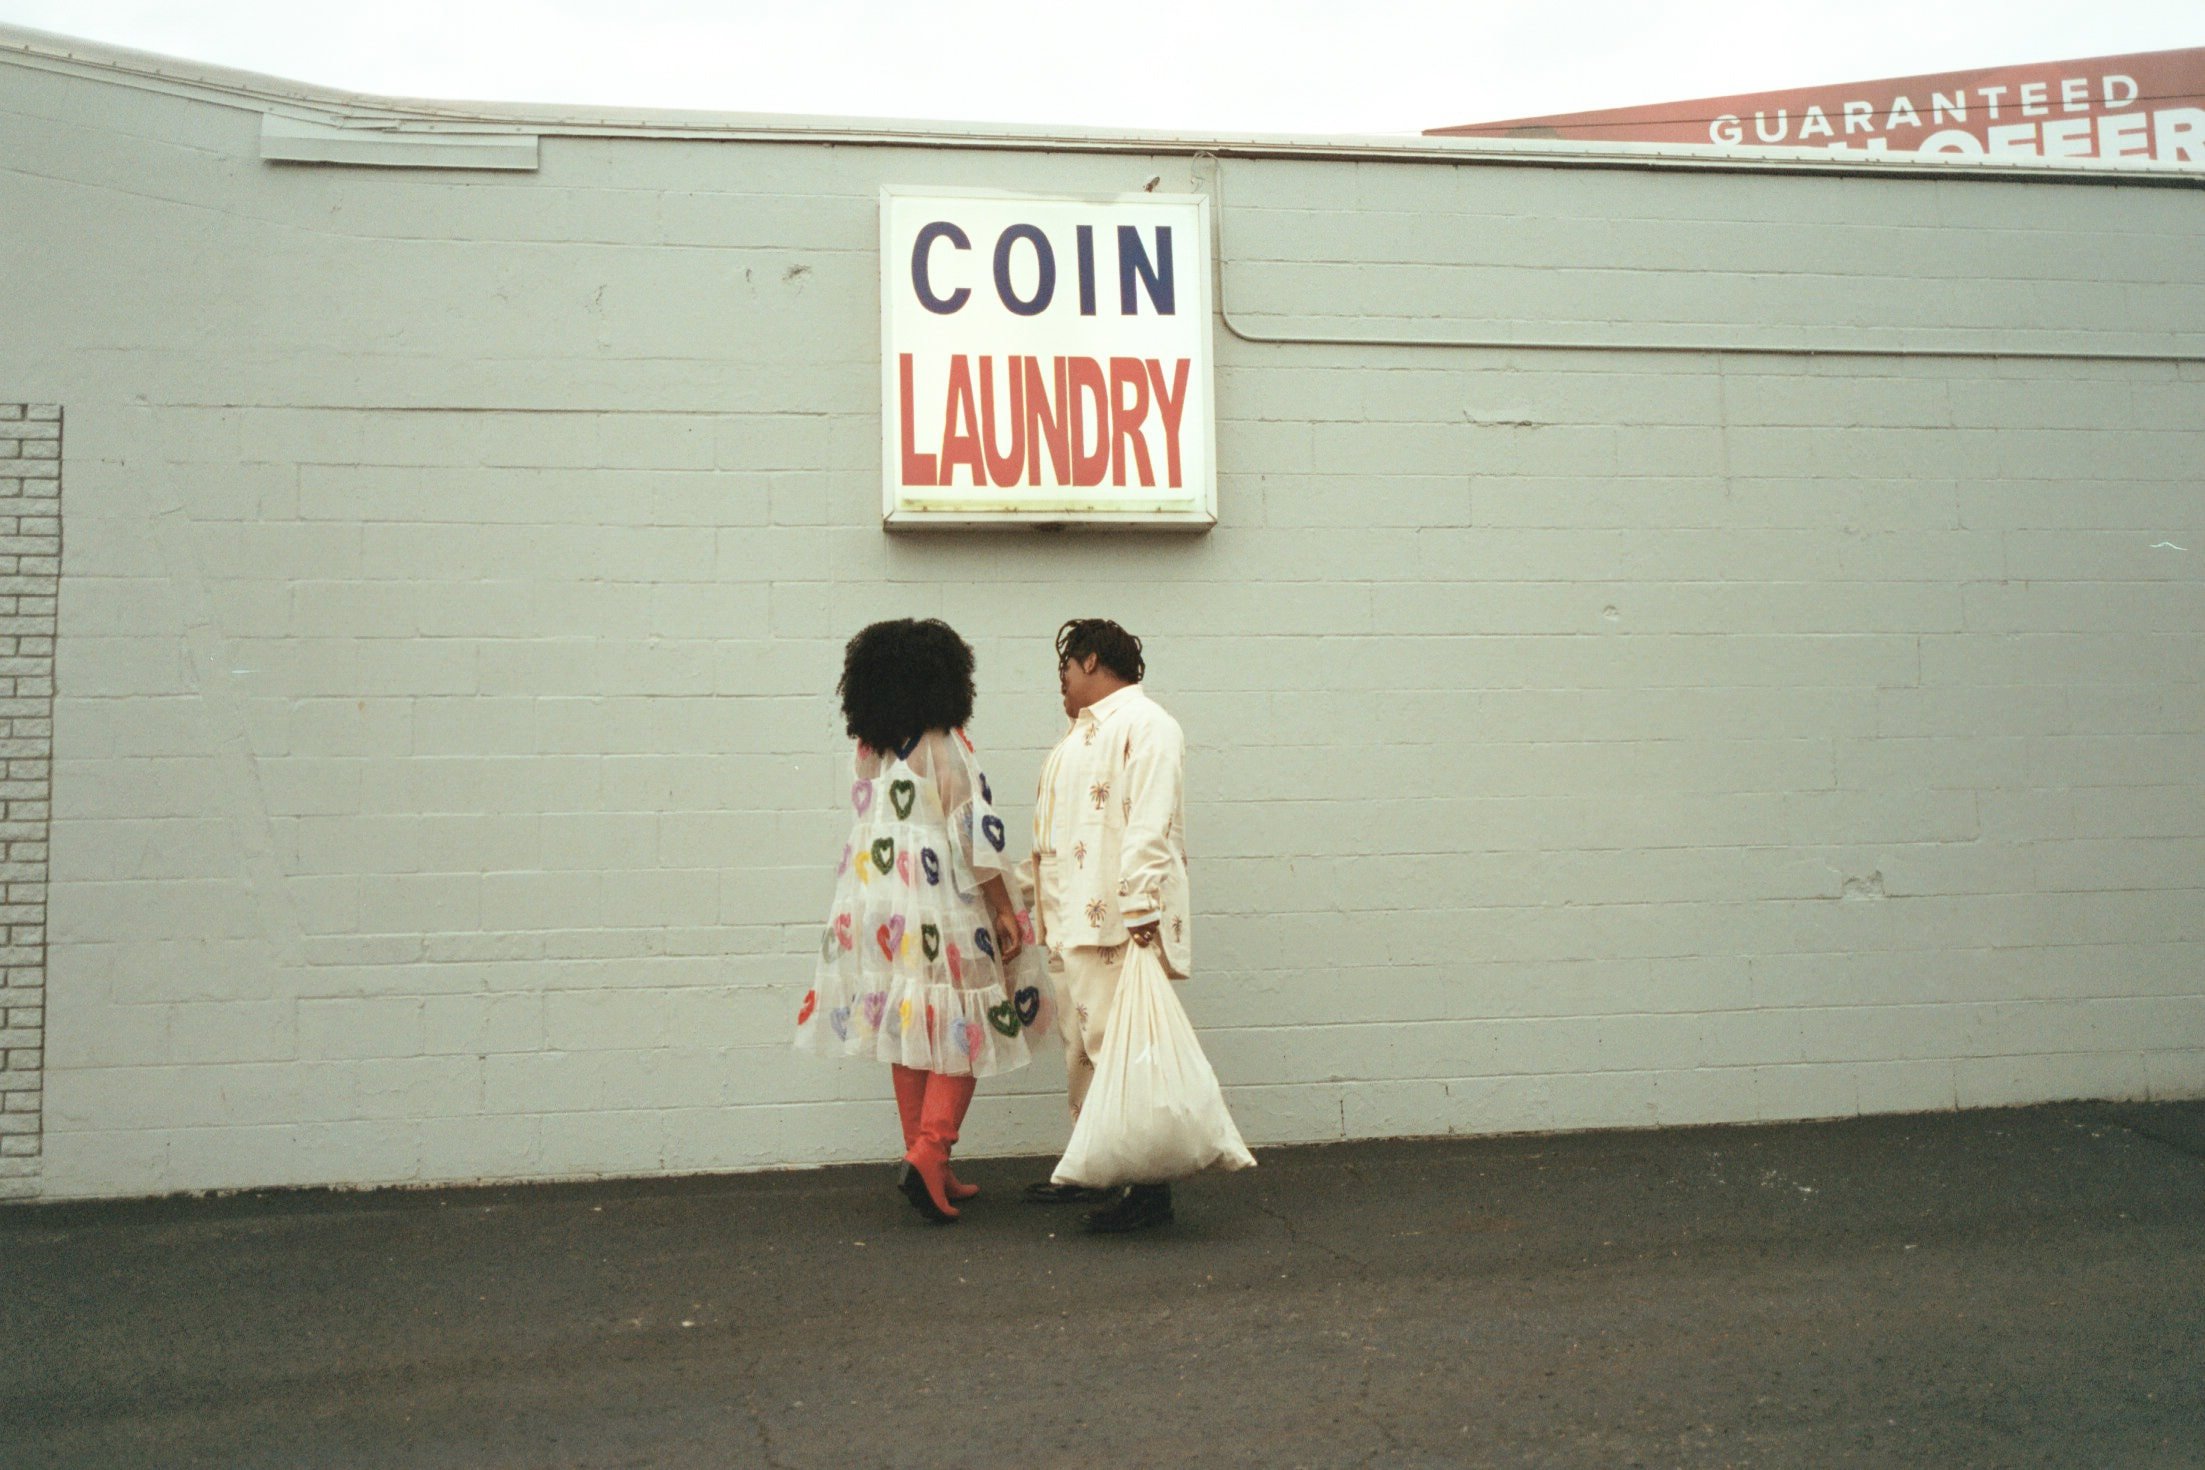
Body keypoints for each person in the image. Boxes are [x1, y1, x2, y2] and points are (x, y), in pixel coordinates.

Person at [793, 618, 1049, 1224]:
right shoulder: (942, 745)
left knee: (913, 1020)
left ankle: (923, 1157)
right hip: (940, 904)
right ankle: (931, 1151)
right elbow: (973, 838)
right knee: (968, 1019)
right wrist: (1004, 908)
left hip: (879, 906)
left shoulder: (870, 752)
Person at [1025, 618, 1192, 1234]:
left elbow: (1150, 822)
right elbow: (1052, 838)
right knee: (1085, 1050)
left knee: (1126, 1051)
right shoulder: (1076, 739)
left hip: (1119, 922)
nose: (1061, 683)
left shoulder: (1148, 726)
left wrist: (1142, 910)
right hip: (1072, 922)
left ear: (1091, 661)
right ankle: (1096, 1165)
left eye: (1065, 668)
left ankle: (1147, 1190)